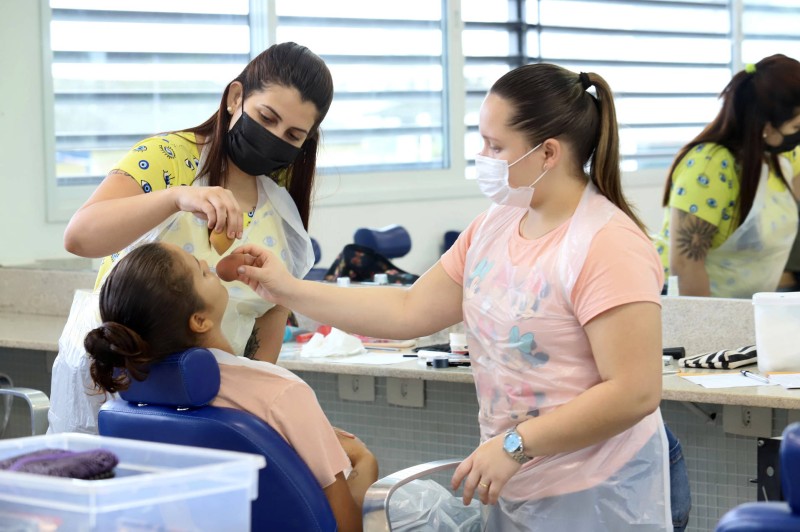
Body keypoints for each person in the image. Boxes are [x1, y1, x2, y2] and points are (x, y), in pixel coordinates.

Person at [226, 64, 672, 530]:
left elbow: (634, 391)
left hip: (597, 488)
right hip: (516, 480)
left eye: (496, 147)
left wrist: (517, 443)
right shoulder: (496, 223)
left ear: (548, 154)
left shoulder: (607, 243)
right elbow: (409, 309)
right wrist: (288, 288)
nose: (484, 157)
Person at [48, 41, 333, 434]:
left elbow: (270, 323)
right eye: (266, 118)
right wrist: (175, 197)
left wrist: (255, 407)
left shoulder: (280, 206)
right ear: (236, 97)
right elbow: (80, 238)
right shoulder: (168, 160)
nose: (274, 138)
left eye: (293, 134)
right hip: (117, 395)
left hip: (216, 406)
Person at [84, 242, 378, 532]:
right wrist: (364, 459)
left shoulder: (128, 408)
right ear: (199, 320)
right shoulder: (281, 392)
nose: (208, 263)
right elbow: (346, 526)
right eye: (201, 271)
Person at [654, 54, 800, 298]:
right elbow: (686, 265)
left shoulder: (782, 155)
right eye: (796, 127)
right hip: (690, 303)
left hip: (747, 306)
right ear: (766, 126)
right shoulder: (709, 166)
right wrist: (709, 330)